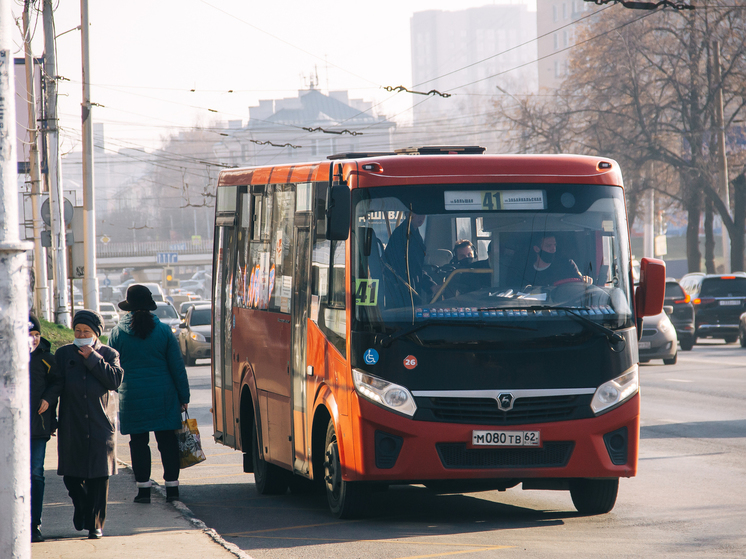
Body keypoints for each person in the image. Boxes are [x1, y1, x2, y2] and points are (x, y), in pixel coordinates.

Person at [109, 284, 190, 504]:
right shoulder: (163, 331)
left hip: (132, 396)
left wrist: (113, 394)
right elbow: (177, 367)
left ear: (129, 307)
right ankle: (172, 489)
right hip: (164, 395)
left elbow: (111, 367)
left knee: (138, 443)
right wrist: (184, 397)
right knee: (167, 442)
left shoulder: (117, 332)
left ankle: (143, 490)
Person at [56, 310, 124, 539]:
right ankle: (81, 506)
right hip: (72, 423)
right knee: (71, 475)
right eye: (77, 330)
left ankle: (96, 524)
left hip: (100, 423)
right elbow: (56, 383)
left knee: (99, 476)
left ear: (96, 334)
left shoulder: (109, 353)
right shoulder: (64, 354)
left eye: (86, 331)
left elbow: (114, 380)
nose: (81, 335)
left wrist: (93, 357)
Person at [29, 314, 63, 543]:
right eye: (27, 335)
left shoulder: (47, 358)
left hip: (38, 428)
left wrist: (49, 400)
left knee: (36, 474)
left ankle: (34, 524)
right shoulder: (6, 358)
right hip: (10, 431)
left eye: (36, 335)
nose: (32, 340)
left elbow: (57, 382)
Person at [383, 211, 438, 306]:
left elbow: (417, 267)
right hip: (401, 292)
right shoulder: (402, 235)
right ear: (408, 213)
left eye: (423, 214)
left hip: (410, 289)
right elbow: (407, 268)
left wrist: (431, 285)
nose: (421, 217)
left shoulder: (415, 234)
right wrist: (429, 285)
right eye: (418, 213)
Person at [518, 234, 587, 288]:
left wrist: (586, 280)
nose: (553, 249)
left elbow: (580, 285)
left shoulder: (567, 266)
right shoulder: (525, 272)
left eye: (555, 245)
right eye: (548, 246)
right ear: (536, 249)